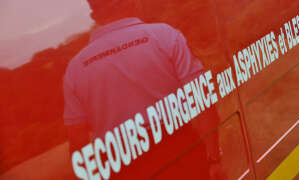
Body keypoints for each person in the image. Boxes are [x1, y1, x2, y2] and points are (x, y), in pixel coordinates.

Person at [63, 0, 225, 179]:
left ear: (95, 16)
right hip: (183, 157)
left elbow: (79, 146)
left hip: (122, 168)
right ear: (133, 3)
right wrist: (213, 159)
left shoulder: (75, 69)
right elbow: (202, 99)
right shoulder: (165, 36)